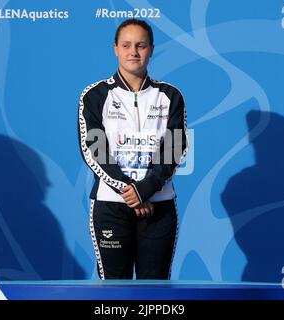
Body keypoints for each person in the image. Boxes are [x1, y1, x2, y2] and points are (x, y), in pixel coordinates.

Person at [77, 19, 188, 279]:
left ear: (151, 49)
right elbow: (94, 149)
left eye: (140, 45)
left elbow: (175, 148)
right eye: (126, 45)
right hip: (111, 206)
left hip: (159, 207)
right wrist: (130, 191)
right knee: (115, 291)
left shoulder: (170, 95)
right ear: (115, 48)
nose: (133, 52)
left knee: (155, 291)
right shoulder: (95, 95)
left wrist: (145, 189)